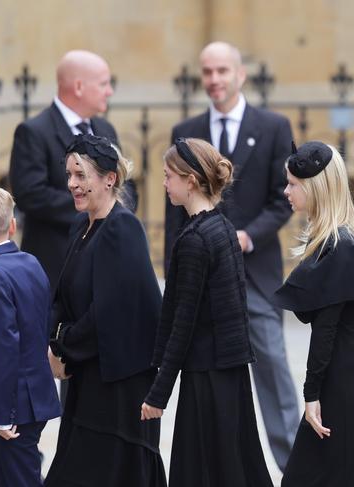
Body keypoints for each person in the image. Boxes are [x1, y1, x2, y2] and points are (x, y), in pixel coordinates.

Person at [165, 40, 299, 470]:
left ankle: (295, 468)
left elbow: (284, 200)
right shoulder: (185, 132)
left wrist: (247, 236)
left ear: (241, 75)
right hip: (201, 279)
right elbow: (175, 215)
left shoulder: (275, 127)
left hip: (256, 274)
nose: (214, 80)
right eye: (207, 72)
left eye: (222, 70)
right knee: (209, 374)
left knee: (274, 370)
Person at [141, 137, 273, 486]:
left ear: (191, 181)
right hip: (229, 372)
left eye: (169, 176)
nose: (165, 183)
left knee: (205, 471)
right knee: (233, 465)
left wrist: (158, 393)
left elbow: (184, 322)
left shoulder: (195, 239)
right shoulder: (223, 228)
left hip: (206, 378)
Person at [44, 134, 165, 487]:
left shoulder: (123, 228)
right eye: (69, 175)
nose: (72, 184)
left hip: (120, 386)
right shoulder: (82, 227)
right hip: (88, 376)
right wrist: (52, 343)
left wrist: (63, 348)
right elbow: (63, 296)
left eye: (81, 175)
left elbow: (110, 311)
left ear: (109, 178)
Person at [272, 141, 354, 486]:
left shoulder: (340, 246)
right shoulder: (329, 242)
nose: (286, 191)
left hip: (345, 388)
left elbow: (326, 332)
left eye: (293, 184)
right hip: (342, 382)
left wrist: (311, 395)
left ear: (315, 187)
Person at [9, 49, 136, 289]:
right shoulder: (34, 131)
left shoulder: (105, 129)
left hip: (106, 261)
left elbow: (125, 184)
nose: (109, 91)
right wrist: (94, 208)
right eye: (104, 84)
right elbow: (31, 194)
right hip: (56, 265)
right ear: (79, 87)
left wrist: (114, 217)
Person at [0, 185, 60, 486]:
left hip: (16, 406)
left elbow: (3, 347)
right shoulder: (31, 263)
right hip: (34, 397)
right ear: (13, 224)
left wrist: (3, 413)